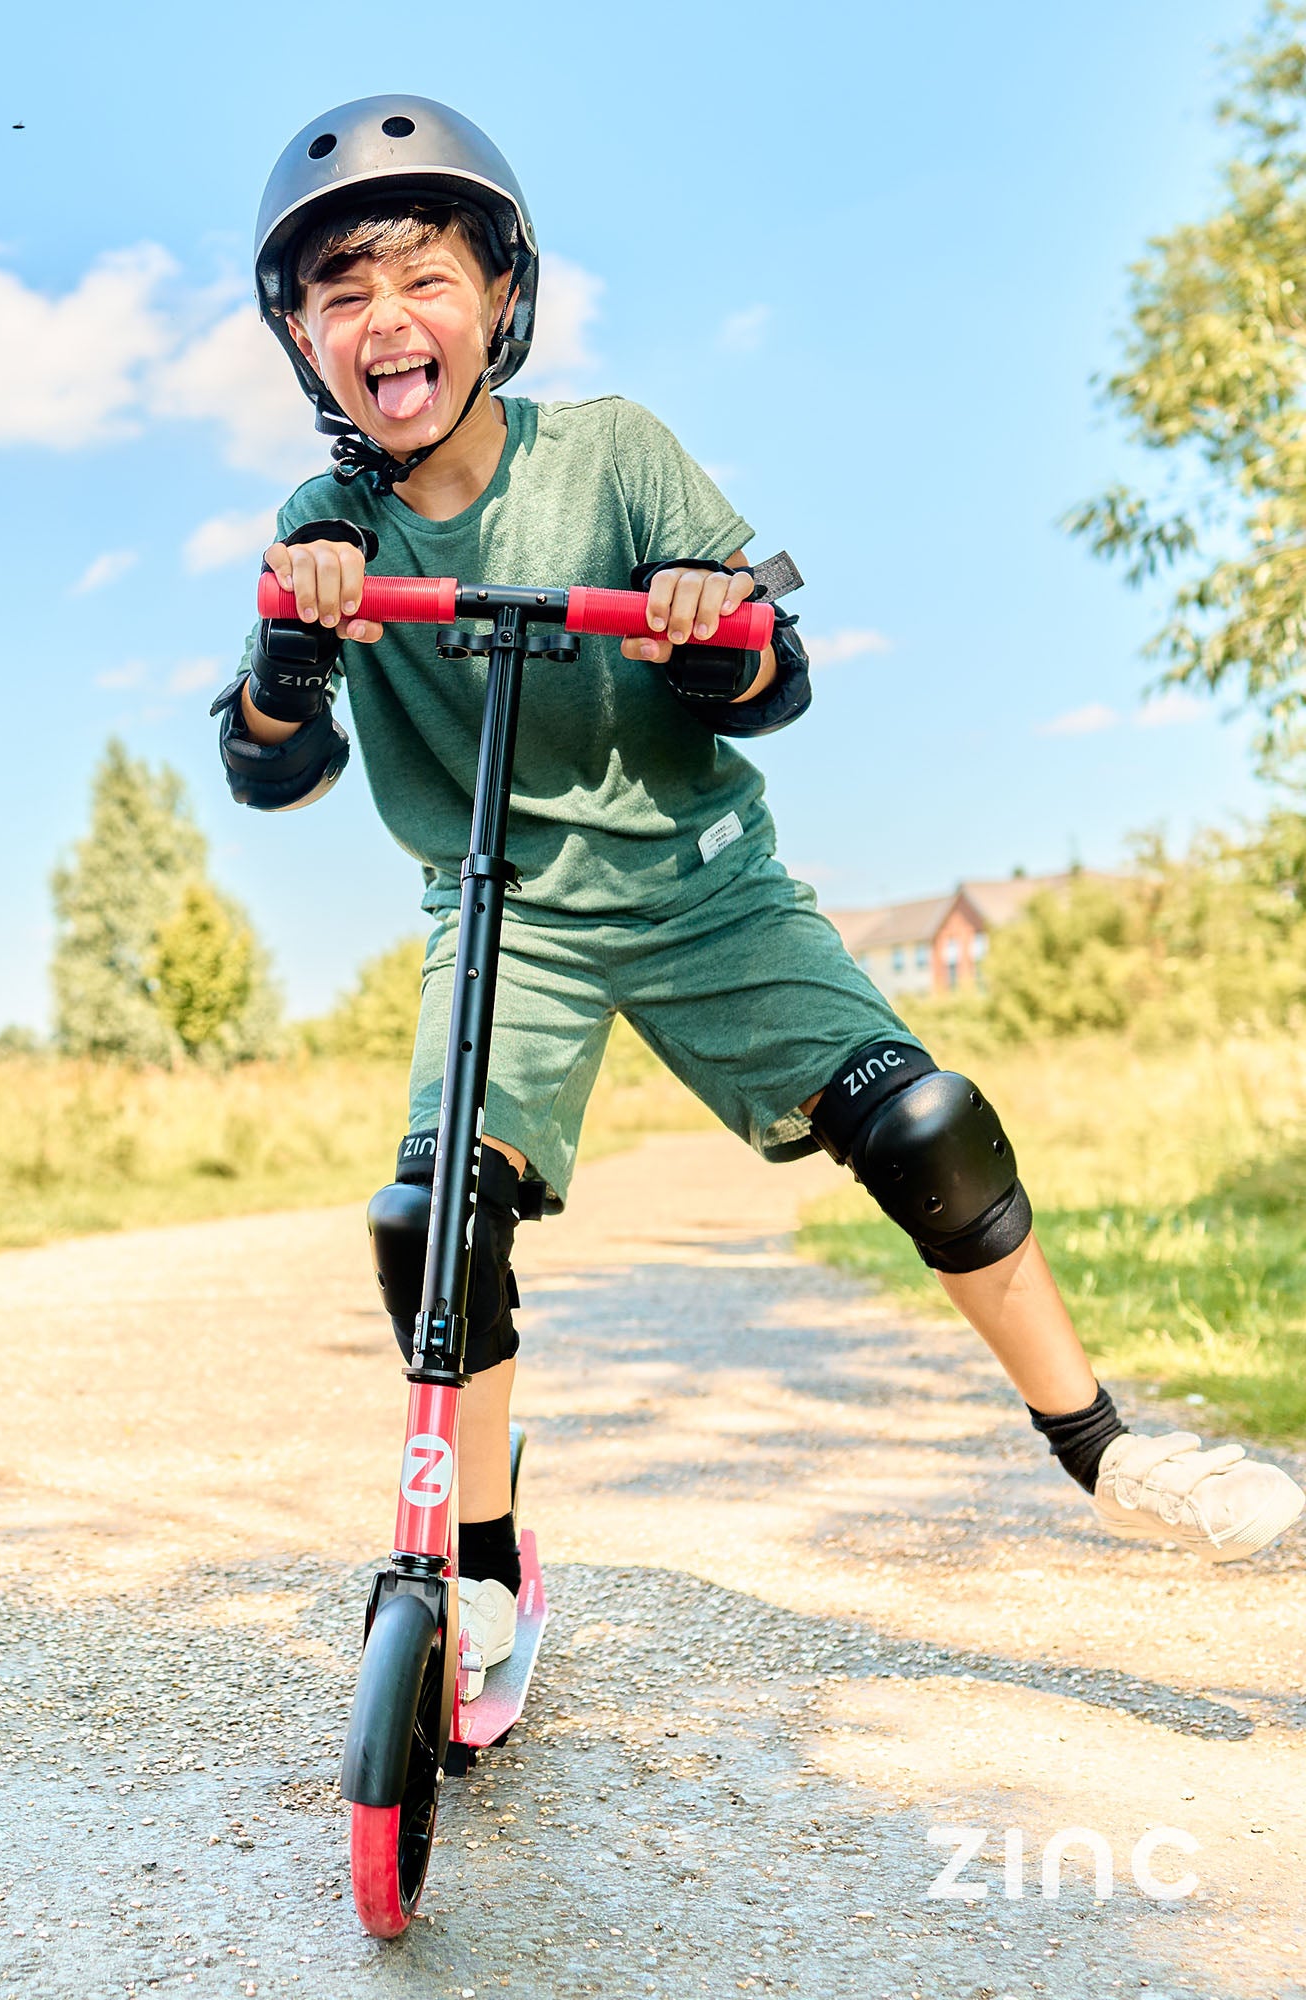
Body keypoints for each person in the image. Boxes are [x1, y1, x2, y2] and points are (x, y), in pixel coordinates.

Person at [215, 97, 1303, 1697]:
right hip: (506, 916)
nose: (387, 322)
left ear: (501, 297)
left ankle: (1104, 1449)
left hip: (706, 882)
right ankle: (487, 1571)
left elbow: (766, 682)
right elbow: (269, 767)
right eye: (341, 297)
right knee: (435, 1218)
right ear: (302, 340)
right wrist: (290, 656)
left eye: (424, 279)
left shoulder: (618, 453)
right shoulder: (327, 529)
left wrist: (715, 633)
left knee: (924, 1123)